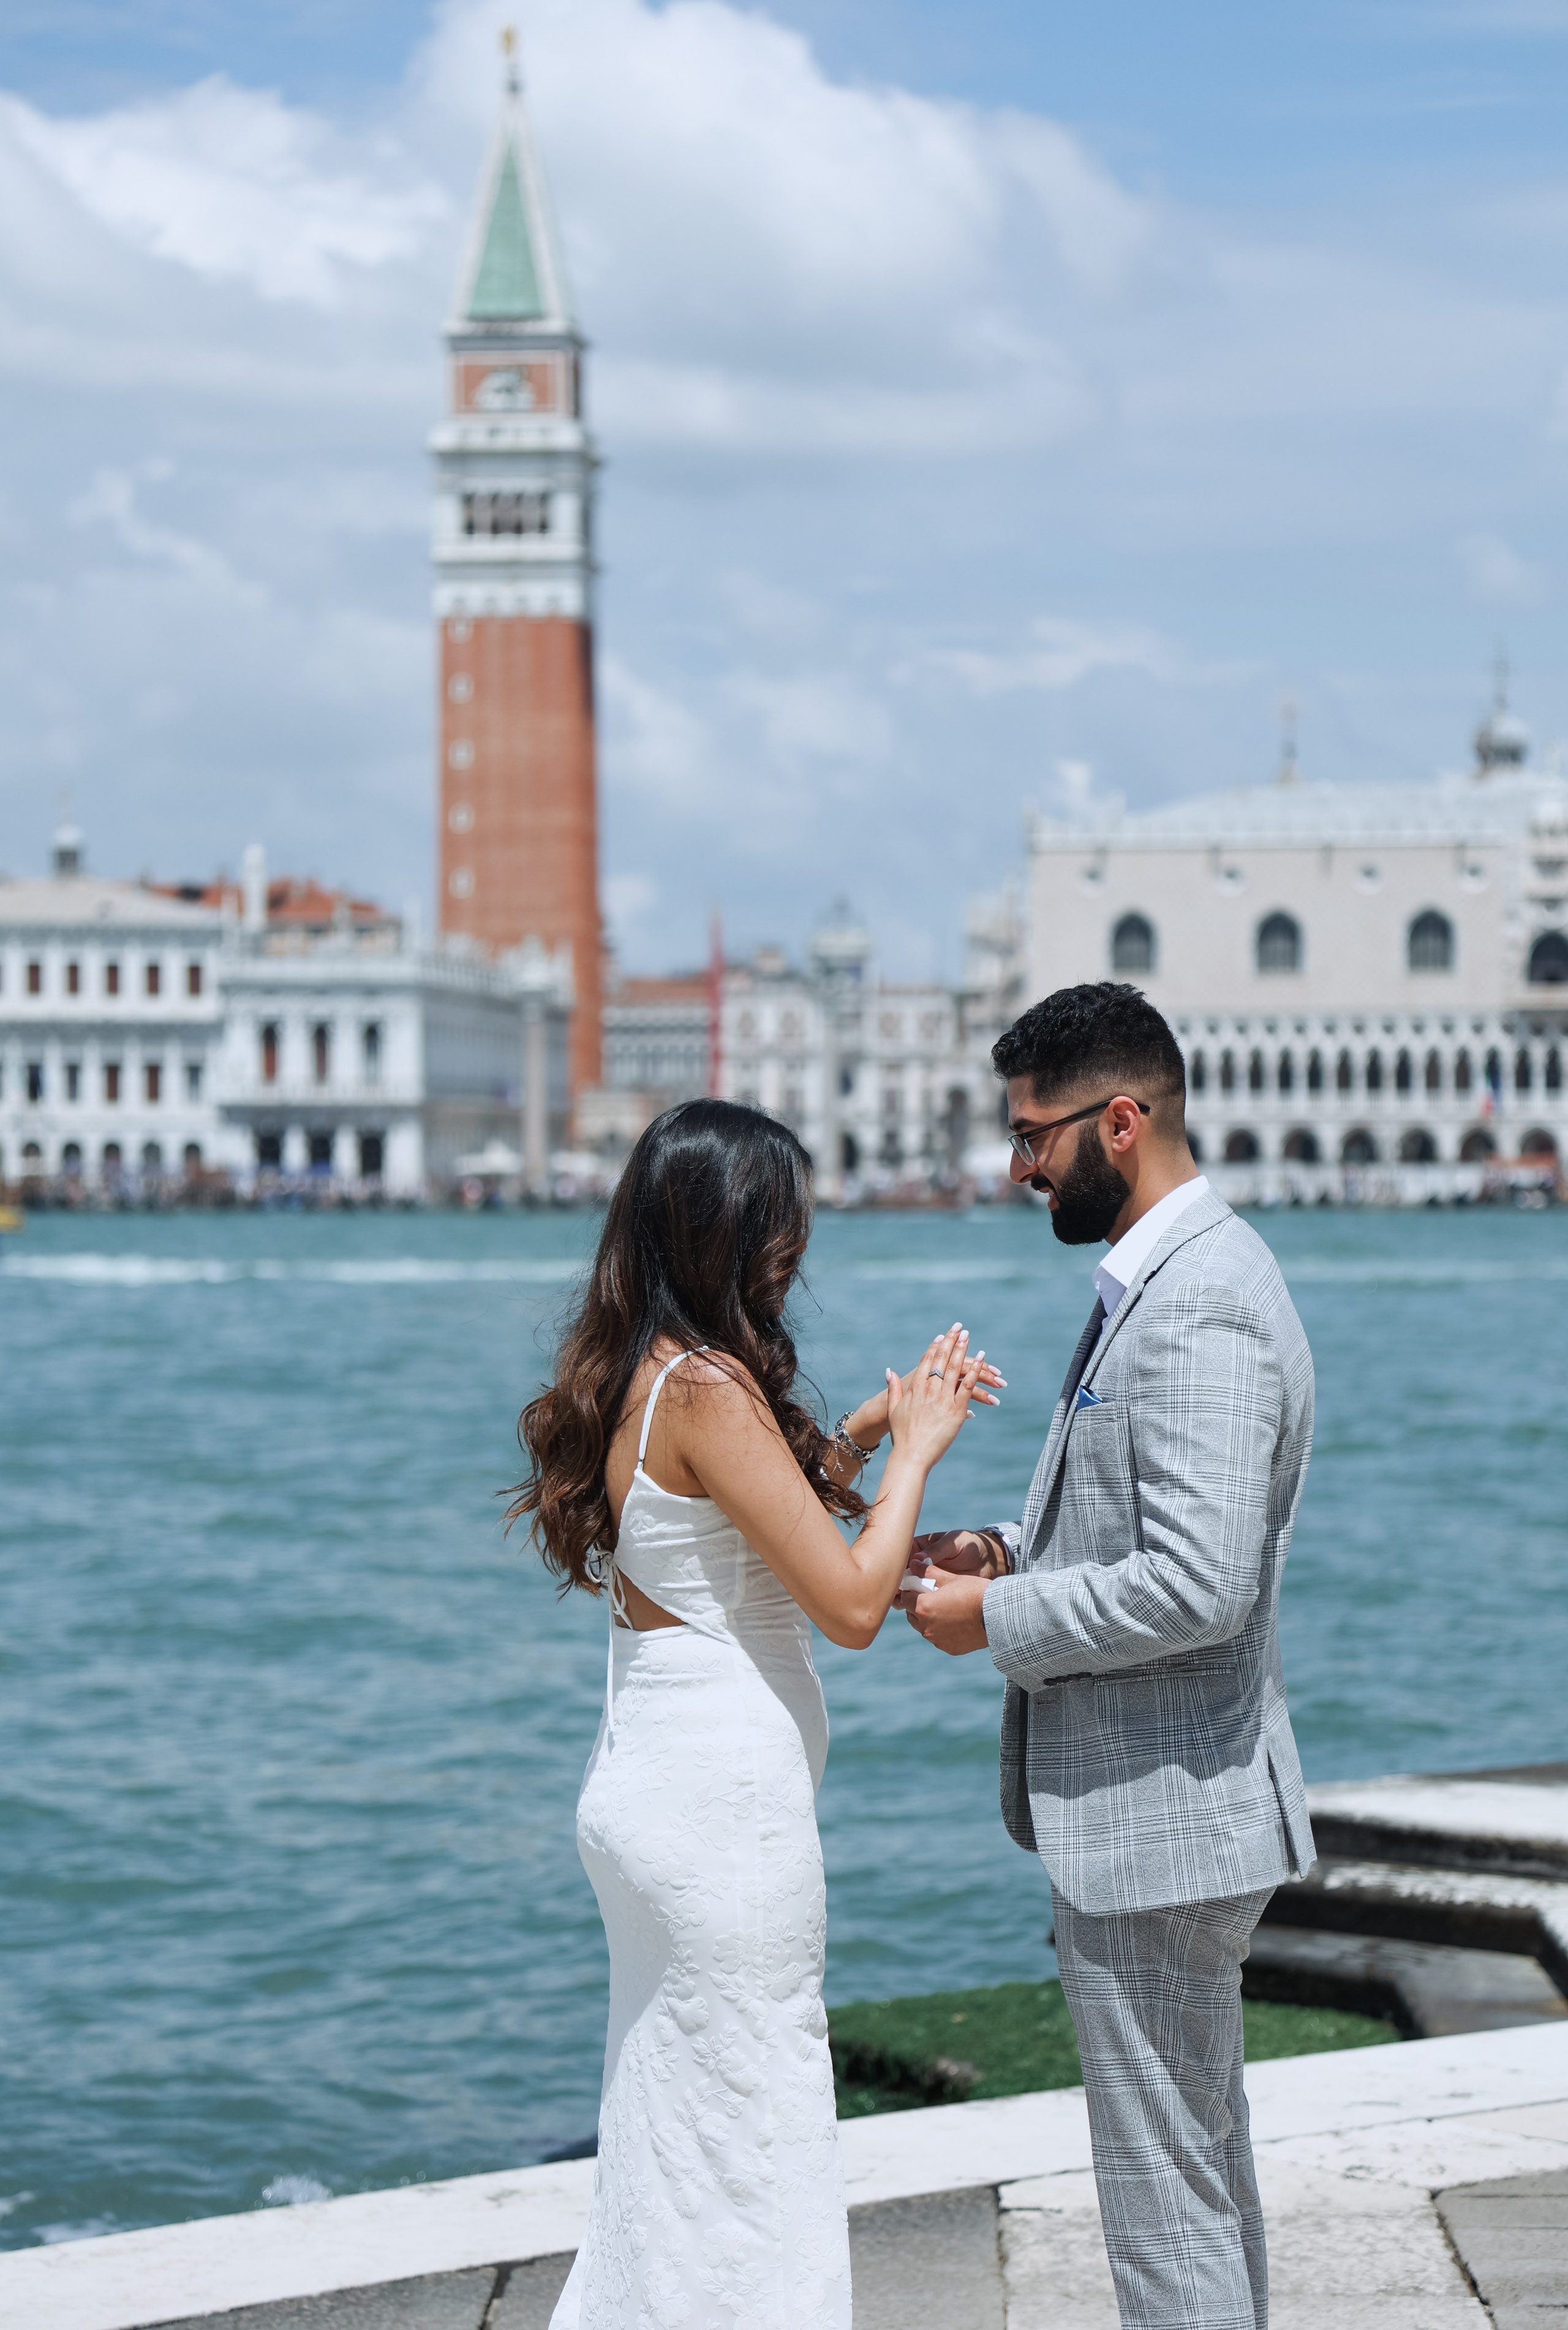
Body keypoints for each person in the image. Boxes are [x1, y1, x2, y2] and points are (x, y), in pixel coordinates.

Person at [510, 1099, 998, 2330]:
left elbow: (742, 1520)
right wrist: (918, 1453)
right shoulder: (712, 1387)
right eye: (781, 1226)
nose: (797, 1250)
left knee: (672, 2132)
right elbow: (847, 1603)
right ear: (725, 1231)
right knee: (754, 2140)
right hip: (719, 1822)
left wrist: (863, 1434)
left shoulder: (649, 1372)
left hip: (654, 1794)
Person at [907, 981, 1316, 2330]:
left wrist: (994, 1621)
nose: (1016, 1166)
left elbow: (1199, 1584)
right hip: (1171, 1810)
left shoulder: (1196, 1302)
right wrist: (1003, 1554)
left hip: (1160, 1822)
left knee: (1165, 2206)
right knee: (1192, 2178)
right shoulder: (1176, 1278)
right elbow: (1145, 1535)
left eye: (1034, 1136)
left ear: (1121, 1122)